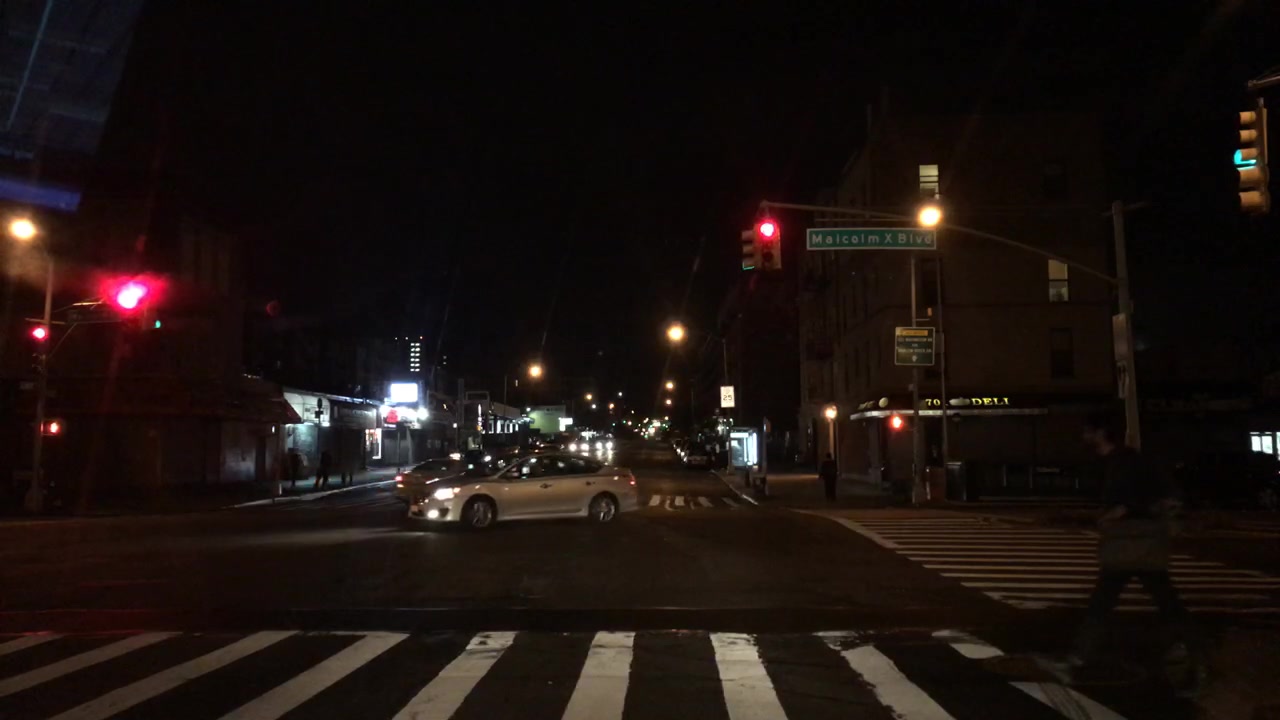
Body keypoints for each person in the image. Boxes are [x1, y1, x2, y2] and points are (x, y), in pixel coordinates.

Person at [1059, 412, 1203, 690]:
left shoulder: (1122, 462)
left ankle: (1078, 657)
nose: (1083, 437)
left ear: (1100, 433)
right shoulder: (1123, 460)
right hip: (1138, 544)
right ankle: (1190, 649)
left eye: (1087, 431)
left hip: (1130, 542)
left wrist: (1114, 514)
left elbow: (1135, 498)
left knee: (1107, 600)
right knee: (1160, 598)